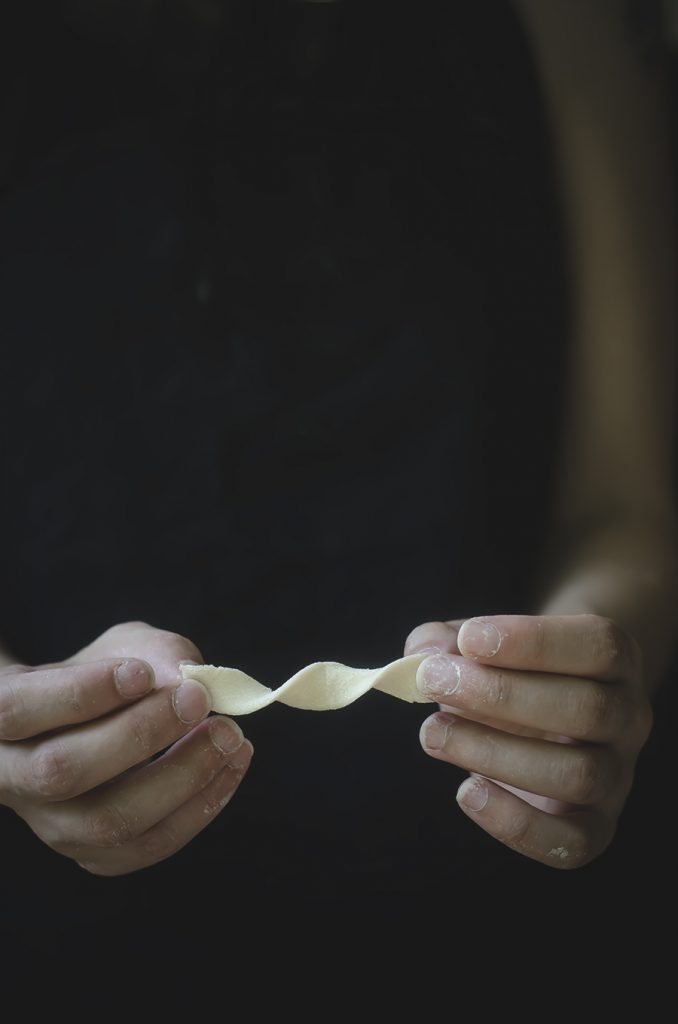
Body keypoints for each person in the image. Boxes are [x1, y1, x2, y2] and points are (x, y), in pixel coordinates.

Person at [0, 0, 676, 969]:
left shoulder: (563, 20)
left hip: (514, 928)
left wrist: (597, 677)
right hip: (62, 939)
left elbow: (628, 510)